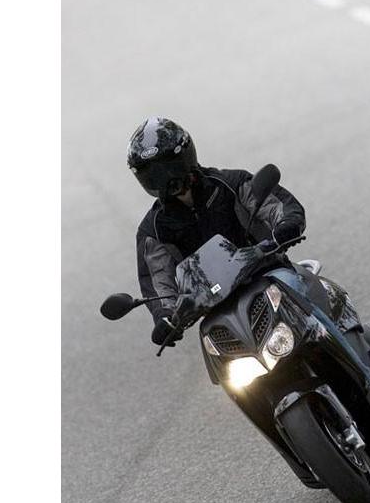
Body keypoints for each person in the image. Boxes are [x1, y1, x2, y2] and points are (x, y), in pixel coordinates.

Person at [127, 117, 306, 346]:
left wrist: (286, 225)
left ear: (185, 157)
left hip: (269, 275)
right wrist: (164, 315)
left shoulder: (230, 183)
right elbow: (157, 280)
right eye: (154, 176)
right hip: (218, 309)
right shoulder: (153, 230)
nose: (165, 180)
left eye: (169, 168)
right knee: (217, 352)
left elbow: (277, 206)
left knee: (306, 311)